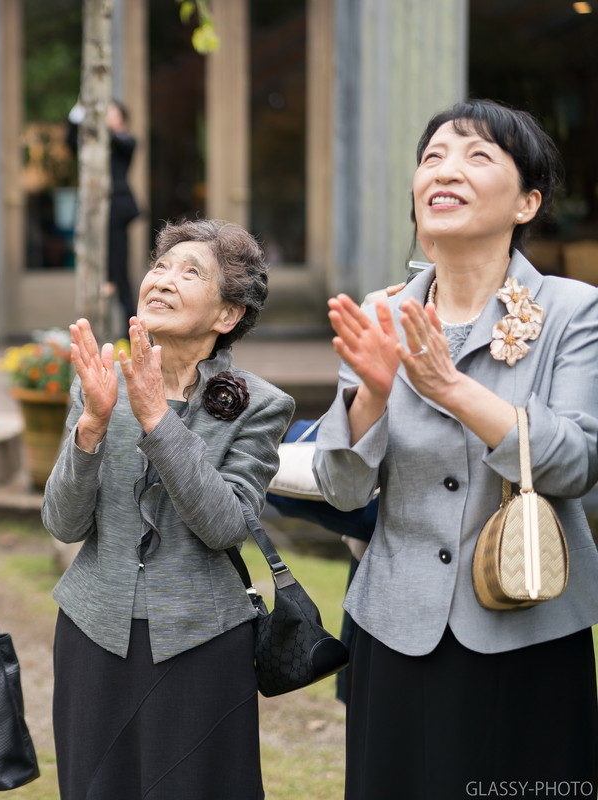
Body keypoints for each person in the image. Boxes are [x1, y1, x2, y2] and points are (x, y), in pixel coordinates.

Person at [314, 99, 598, 799]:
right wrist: (373, 394)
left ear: (527, 201)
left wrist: (449, 386)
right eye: (434, 156)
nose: (446, 170)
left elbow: (578, 466)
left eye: (477, 156)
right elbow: (342, 490)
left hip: (529, 628)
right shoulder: (380, 315)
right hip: (394, 629)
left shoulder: (573, 310)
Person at [43, 219, 295, 800]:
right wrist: (94, 424)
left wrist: (158, 419)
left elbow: (226, 525)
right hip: (93, 633)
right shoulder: (101, 383)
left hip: (201, 643)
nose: (163, 280)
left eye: (191, 272)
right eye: (159, 266)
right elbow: (63, 523)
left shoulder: (259, 405)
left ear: (227, 316)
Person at [68, 100, 141, 320]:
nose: (107, 116)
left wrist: (97, 123)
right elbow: (71, 143)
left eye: (112, 113)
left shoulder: (126, 140)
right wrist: (76, 119)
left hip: (116, 211)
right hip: (94, 210)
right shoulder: (95, 144)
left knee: (118, 269)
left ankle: (130, 328)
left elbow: (117, 141)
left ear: (122, 119)